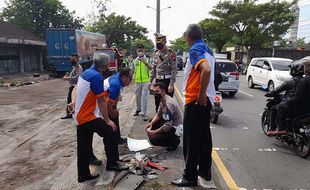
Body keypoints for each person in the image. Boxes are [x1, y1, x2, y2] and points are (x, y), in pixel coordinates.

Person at [171, 24, 215, 187]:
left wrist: (201, 94)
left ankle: (189, 177)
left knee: (190, 141)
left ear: (188, 37)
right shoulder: (208, 50)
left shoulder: (195, 50)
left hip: (195, 101)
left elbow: (207, 71)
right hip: (206, 100)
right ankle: (204, 171)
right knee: (204, 139)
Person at [74, 52, 128, 183]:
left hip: (79, 117)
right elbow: (102, 101)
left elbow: (76, 89)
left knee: (83, 147)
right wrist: (107, 120)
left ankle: (83, 175)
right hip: (88, 117)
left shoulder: (86, 73)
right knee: (110, 131)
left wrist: (73, 103)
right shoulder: (97, 77)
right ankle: (112, 163)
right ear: (105, 65)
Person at [269, 59, 310, 136]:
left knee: (280, 106)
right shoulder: (302, 80)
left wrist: (288, 102)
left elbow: (298, 98)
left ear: (307, 68)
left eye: (304, 66)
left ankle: (281, 129)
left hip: (301, 108)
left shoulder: (303, 81)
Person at [146, 82, 182, 151]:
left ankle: (174, 142)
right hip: (169, 123)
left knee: (153, 140)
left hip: (174, 129)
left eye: (157, 91)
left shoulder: (168, 104)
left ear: (163, 91)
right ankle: (167, 137)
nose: (155, 93)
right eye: (154, 92)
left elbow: (168, 125)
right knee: (151, 121)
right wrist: (151, 124)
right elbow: (158, 114)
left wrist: (154, 132)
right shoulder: (162, 99)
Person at [103, 67, 133, 144]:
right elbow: (107, 103)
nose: (131, 81)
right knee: (111, 120)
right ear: (124, 77)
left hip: (105, 101)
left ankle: (117, 138)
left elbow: (116, 95)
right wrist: (111, 111)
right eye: (130, 78)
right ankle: (112, 140)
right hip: (100, 104)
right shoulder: (115, 84)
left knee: (115, 115)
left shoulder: (118, 79)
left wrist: (114, 108)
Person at [150, 33, 177, 112]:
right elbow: (154, 68)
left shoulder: (171, 53)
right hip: (158, 81)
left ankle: (168, 121)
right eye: (157, 43)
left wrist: (171, 84)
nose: (159, 45)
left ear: (165, 41)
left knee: (168, 103)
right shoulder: (156, 53)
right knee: (157, 101)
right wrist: (150, 81)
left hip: (167, 81)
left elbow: (174, 69)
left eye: (160, 43)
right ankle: (158, 120)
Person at [132, 44, 152, 121]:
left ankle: (144, 113)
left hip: (145, 81)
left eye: (141, 50)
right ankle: (138, 109)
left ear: (144, 51)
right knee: (137, 97)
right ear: (136, 51)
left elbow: (151, 69)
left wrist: (145, 62)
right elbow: (133, 69)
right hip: (137, 81)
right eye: (138, 51)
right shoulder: (135, 60)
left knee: (144, 97)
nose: (140, 52)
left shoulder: (148, 59)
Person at [61, 53, 83, 119]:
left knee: (71, 100)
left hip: (75, 86)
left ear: (77, 59)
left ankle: (71, 114)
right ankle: (70, 113)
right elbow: (73, 76)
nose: (71, 60)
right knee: (70, 100)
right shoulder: (74, 67)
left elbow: (77, 77)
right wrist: (68, 76)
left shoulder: (79, 68)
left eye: (73, 59)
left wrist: (67, 78)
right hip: (72, 86)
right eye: (71, 59)